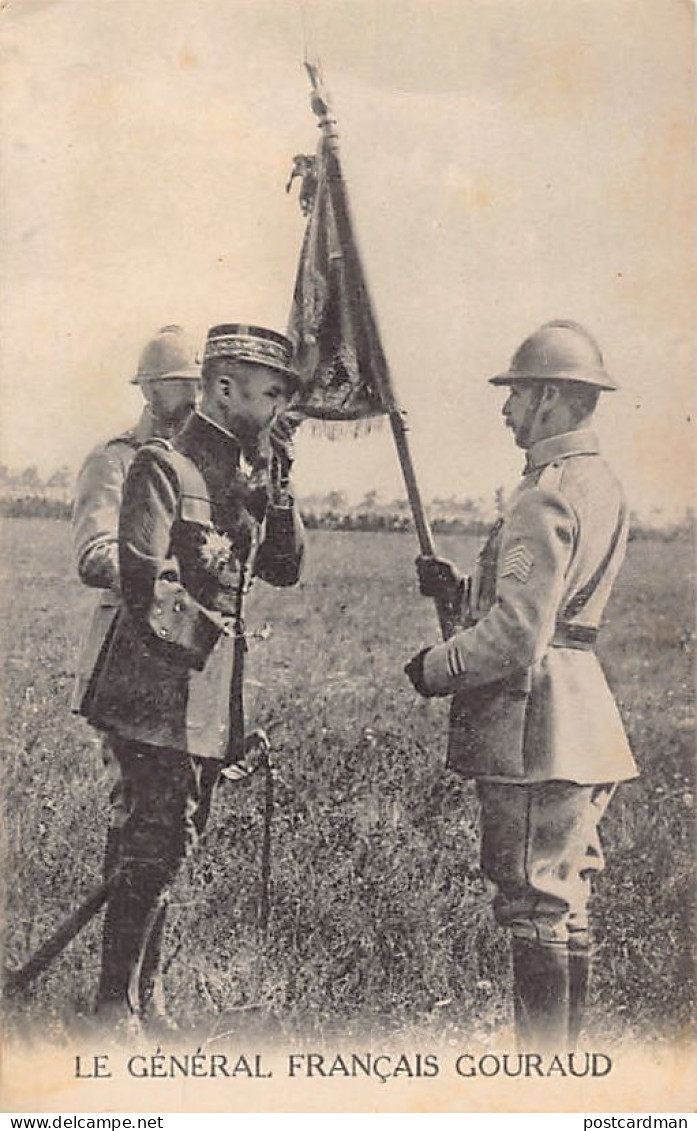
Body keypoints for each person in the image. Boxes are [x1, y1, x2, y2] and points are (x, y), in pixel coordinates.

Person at [405, 320, 638, 1050]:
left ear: (548, 398)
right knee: (563, 902)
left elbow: (517, 634)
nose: (505, 411)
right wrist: (462, 589)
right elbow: (554, 600)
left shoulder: (543, 493)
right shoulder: (602, 483)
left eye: (514, 395)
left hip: (535, 724)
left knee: (532, 904)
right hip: (581, 715)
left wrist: (435, 667)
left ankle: (540, 1085)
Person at [77, 323, 304, 1033]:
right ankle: (114, 1007)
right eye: (269, 395)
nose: (275, 411)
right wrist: (212, 649)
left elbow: (284, 568)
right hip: (152, 692)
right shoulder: (163, 467)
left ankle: (139, 999)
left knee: (172, 845)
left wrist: (281, 488)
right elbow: (147, 589)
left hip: (202, 698)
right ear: (225, 388)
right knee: (156, 842)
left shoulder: (240, 475)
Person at [72, 324, 201, 713]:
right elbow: (95, 556)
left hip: (193, 650)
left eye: (199, 384)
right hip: (128, 652)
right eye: (181, 384)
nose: (195, 397)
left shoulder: (200, 467)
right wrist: (166, 581)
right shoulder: (114, 460)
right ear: (149, 389)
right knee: (134, 775)